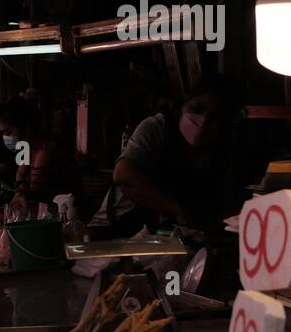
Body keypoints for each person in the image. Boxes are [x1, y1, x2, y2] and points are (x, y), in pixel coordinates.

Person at [89, 77, 239, 238]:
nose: (203, 121)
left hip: (168, 239)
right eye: (197, 109)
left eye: (215, 116)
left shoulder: (223, 150)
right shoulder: (157, 128)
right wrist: (178, 209)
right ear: (185, 102)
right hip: (114, 233)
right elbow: (124, 176)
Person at [0, 95, 82, 204]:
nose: (6, 137)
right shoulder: (28, 148)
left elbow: (32, 202)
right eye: (3, 133)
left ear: (26, 127)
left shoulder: (44, 152)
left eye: (8, 132)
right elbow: (20, 181)